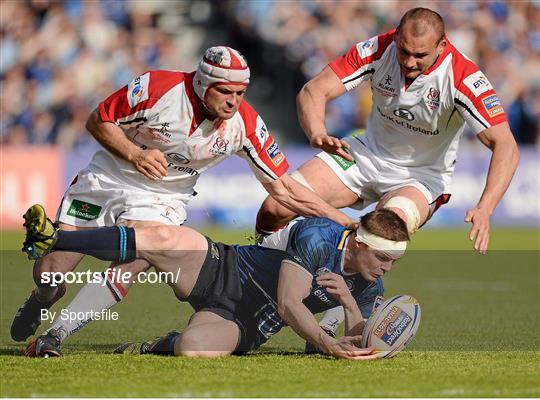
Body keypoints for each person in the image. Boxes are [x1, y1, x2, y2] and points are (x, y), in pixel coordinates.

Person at [10, 46, 355, 344]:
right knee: (50, 271)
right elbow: (98, 120)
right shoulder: (157, 87)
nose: (234, 101)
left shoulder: (246, 124)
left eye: (241, 93)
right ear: (203, 83)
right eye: (225, 92)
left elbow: (283, 187)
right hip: (107, 178)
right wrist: (136, 154)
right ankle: (42, 298)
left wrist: (340, 218)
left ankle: (57, 333)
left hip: (164, 198)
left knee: (134, 259)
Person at [254, 7, 520, 343]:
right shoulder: (377, 50)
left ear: (442, 46)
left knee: (383, 234)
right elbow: (313, 90)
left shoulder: (464, 77)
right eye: (404, 50)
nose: (408, 61)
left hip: (422, 177)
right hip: (366, 155)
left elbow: (506, 145)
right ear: (396, 37)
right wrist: (317, 130)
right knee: (275, 206)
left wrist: (486, 207)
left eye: (419, 55)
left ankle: (338, 313)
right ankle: (262, 269)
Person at [22, 204, 409, 358]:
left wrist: (349, 304)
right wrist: (325, 342)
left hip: (244, 324)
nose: (387, 268)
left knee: (192, 349)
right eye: (383, 257)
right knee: (159, 239)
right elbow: (288, 304)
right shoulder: (318, 236)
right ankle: (59, 241)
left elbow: (363, 338)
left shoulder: (370, 281)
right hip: (221, 268)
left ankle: (157, 344)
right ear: (358, 243)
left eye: (393, 261)